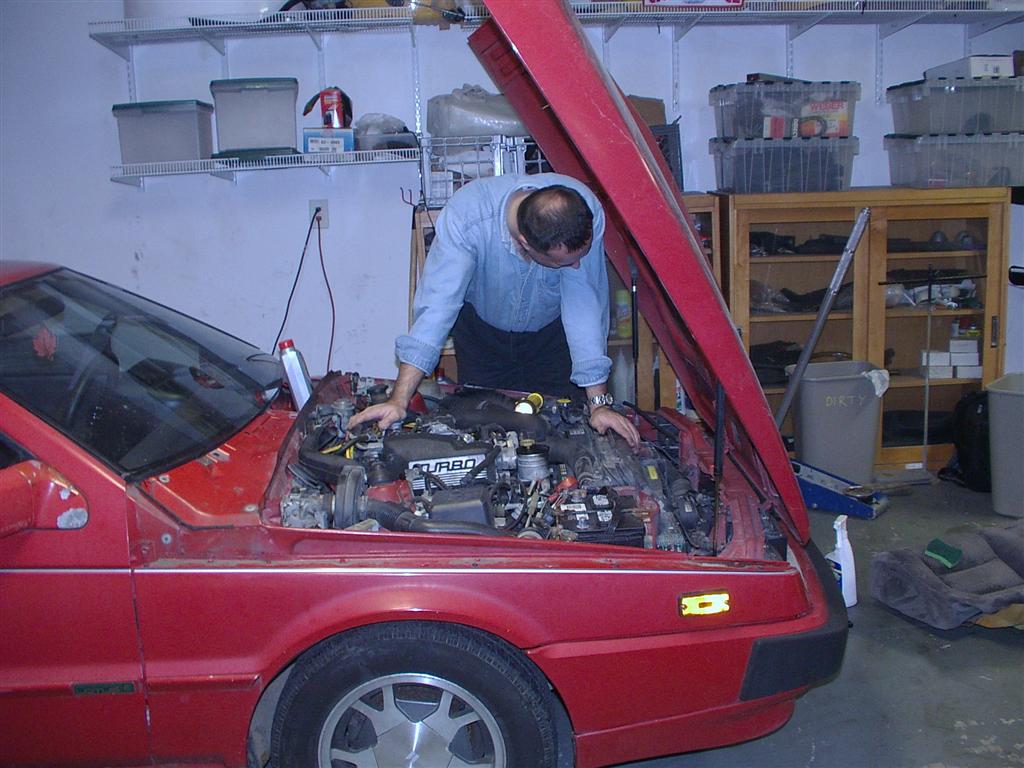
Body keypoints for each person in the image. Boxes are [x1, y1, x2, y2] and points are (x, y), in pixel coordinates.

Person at [348, 172, 640, 449]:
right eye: (562, 263)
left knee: (563, 431)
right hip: (483, 340)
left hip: (552, 340)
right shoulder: (468, 218)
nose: (575, 266)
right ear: (525, 244)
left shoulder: (582, 212)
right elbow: (437, 309)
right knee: (486, 436)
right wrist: (398, 401)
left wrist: (599, 406)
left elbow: (584, 307)